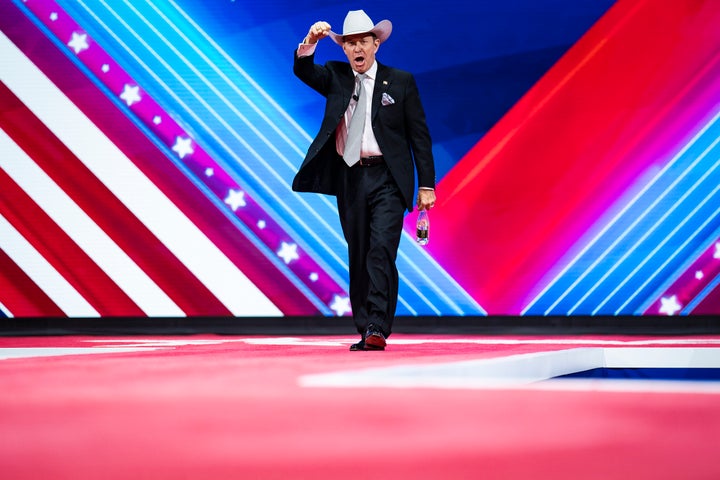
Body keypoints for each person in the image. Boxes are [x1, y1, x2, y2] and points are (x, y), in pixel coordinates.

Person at [292, 10, 436, 351]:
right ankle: (365, 327)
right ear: (344, 49)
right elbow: (303, 70)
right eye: (350, 43)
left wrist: (426, 185)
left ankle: (377, 326)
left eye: (362, 42)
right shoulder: (336, 76)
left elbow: (419, 136)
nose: (357, 48)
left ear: (375, 44)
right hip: (350, 177)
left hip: (388, 178)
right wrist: (311, 41)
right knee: (358, 253)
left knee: (380, 250)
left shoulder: (400, 81)